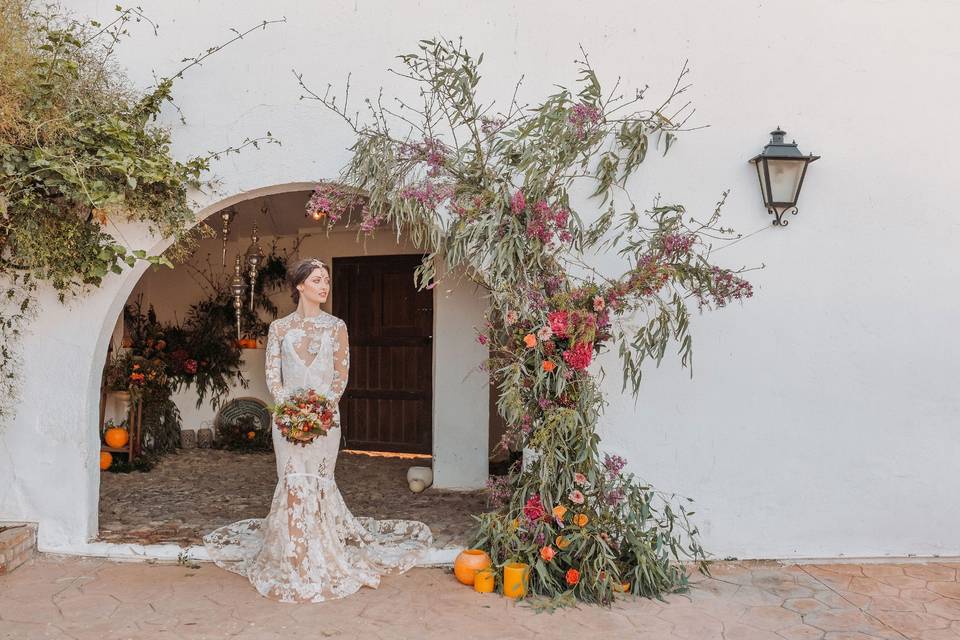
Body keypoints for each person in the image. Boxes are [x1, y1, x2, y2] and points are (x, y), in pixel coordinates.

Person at [202, 257, 432, 602]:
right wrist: (290, 411)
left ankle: (323, 553)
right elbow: (273, 377)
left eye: (326, 280)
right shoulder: (279, 328)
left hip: (326, 420)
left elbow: (341, 376)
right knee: (292, 483)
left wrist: (319, 412)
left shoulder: (336, 326)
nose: (324, 286)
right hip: (287, 418)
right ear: (300, 286)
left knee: (319, 485)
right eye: (317, 281)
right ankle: (295, 557)